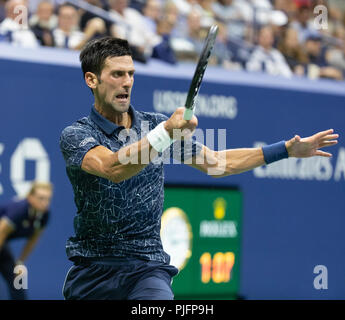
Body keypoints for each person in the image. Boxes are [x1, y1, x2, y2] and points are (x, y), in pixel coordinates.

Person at [59, 36, 339, 300]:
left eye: (131, 74)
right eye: (117, 74)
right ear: (91, 79)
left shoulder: (153, 124)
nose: (127, 82)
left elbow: (217, 164)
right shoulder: (76, 135)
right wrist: (166, 131)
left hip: (147, 268)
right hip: (92, 272)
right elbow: (113, 168)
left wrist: (286, 150)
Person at [0, 182, 53, 300]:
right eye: (41, 198)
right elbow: (1, 233)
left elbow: (33, 240)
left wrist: (20, 262)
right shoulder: (19, 210)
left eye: (48, 199)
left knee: (17, 279)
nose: (45, 203)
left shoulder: (44, 215)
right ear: (30, 197)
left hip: (2, 244)